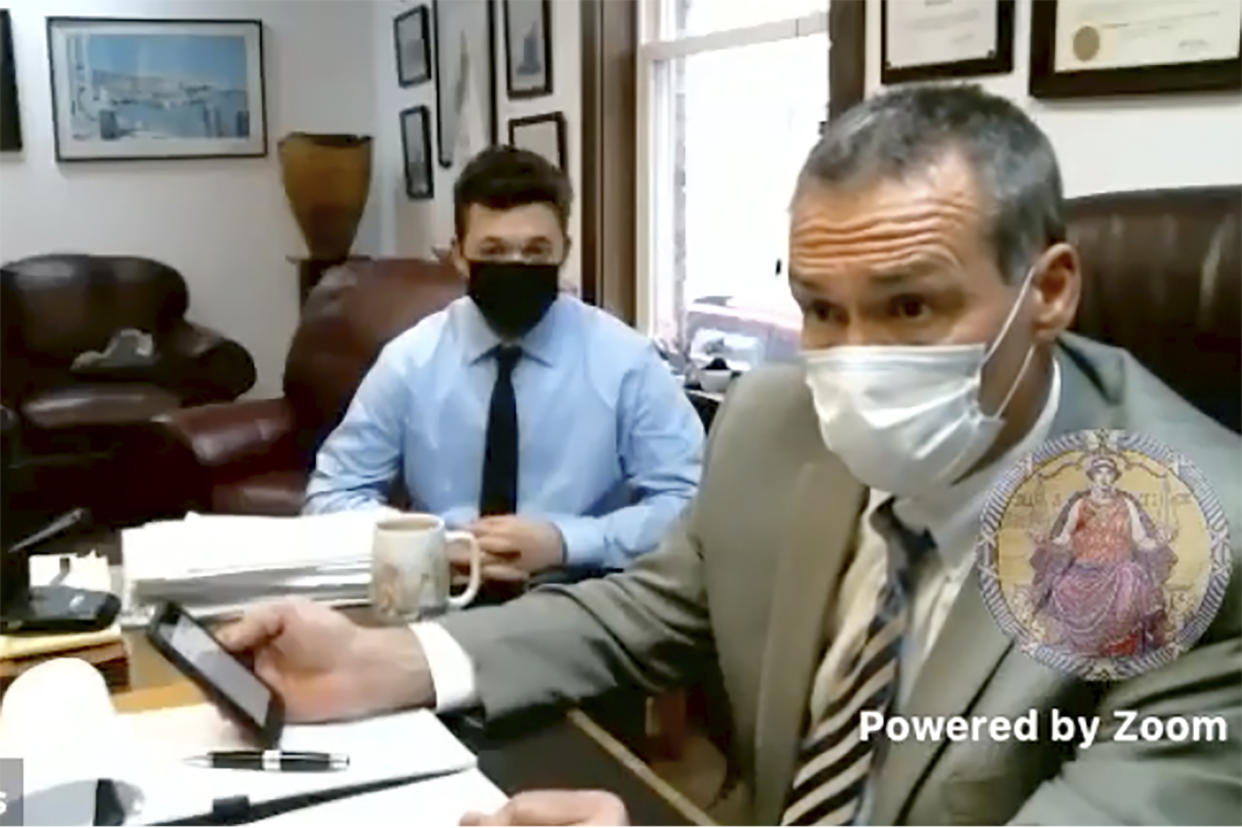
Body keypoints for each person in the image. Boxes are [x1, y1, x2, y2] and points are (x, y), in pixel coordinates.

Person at [223, 86, 1240, 825]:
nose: (852, 363)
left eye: (912, 306)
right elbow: (650, 608)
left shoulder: (1197, 551)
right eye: (819, 310)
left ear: (1050, 291)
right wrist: (391, 658)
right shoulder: (775, 417)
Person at [303, 147, 704, 584]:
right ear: (458, 255)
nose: (516, 267)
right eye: (493, 250)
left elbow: (690, 502)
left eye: (536, 251)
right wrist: (431, 544)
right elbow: (332, 494)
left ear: (564, 251)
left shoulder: (627, 361)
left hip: (584, 592)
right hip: (444, 585)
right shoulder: (410, 361)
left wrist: (566, 541)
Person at [1030, 455, 1176, 657]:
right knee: (1061, 586)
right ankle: (1082, 649)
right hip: (1084, 571)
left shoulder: (1126, 504)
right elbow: (1064, 539)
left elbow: (1141, 539)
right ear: (1092, 477)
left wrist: (1160, 541)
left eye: (1109, 473)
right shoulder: (1080, 504)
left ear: (1114, 477)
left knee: (1132, 576)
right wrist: (1045, 542)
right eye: (1100, 473)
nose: (1104, 478)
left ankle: (1119, 646)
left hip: (1118, 570)